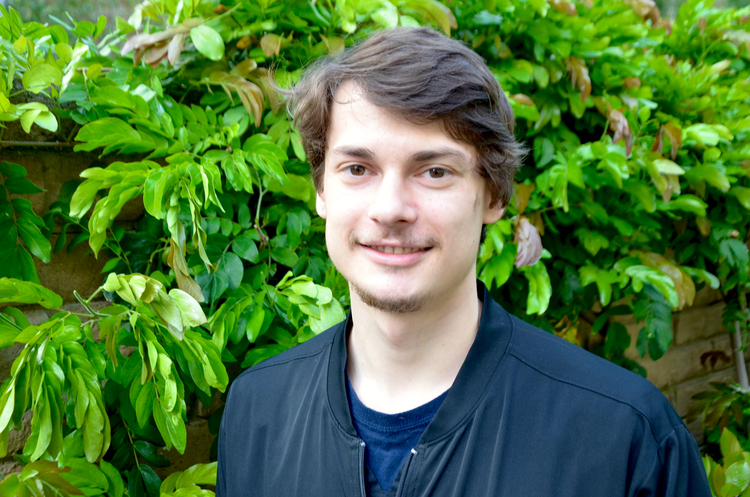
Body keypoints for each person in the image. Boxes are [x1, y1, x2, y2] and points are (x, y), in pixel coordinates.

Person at [216, 27, 711, 496]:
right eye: (357, 168)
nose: (390, 209)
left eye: (434, 171)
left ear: (493, 194)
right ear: (321, 189)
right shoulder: (256, 412)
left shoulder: (625, 435)